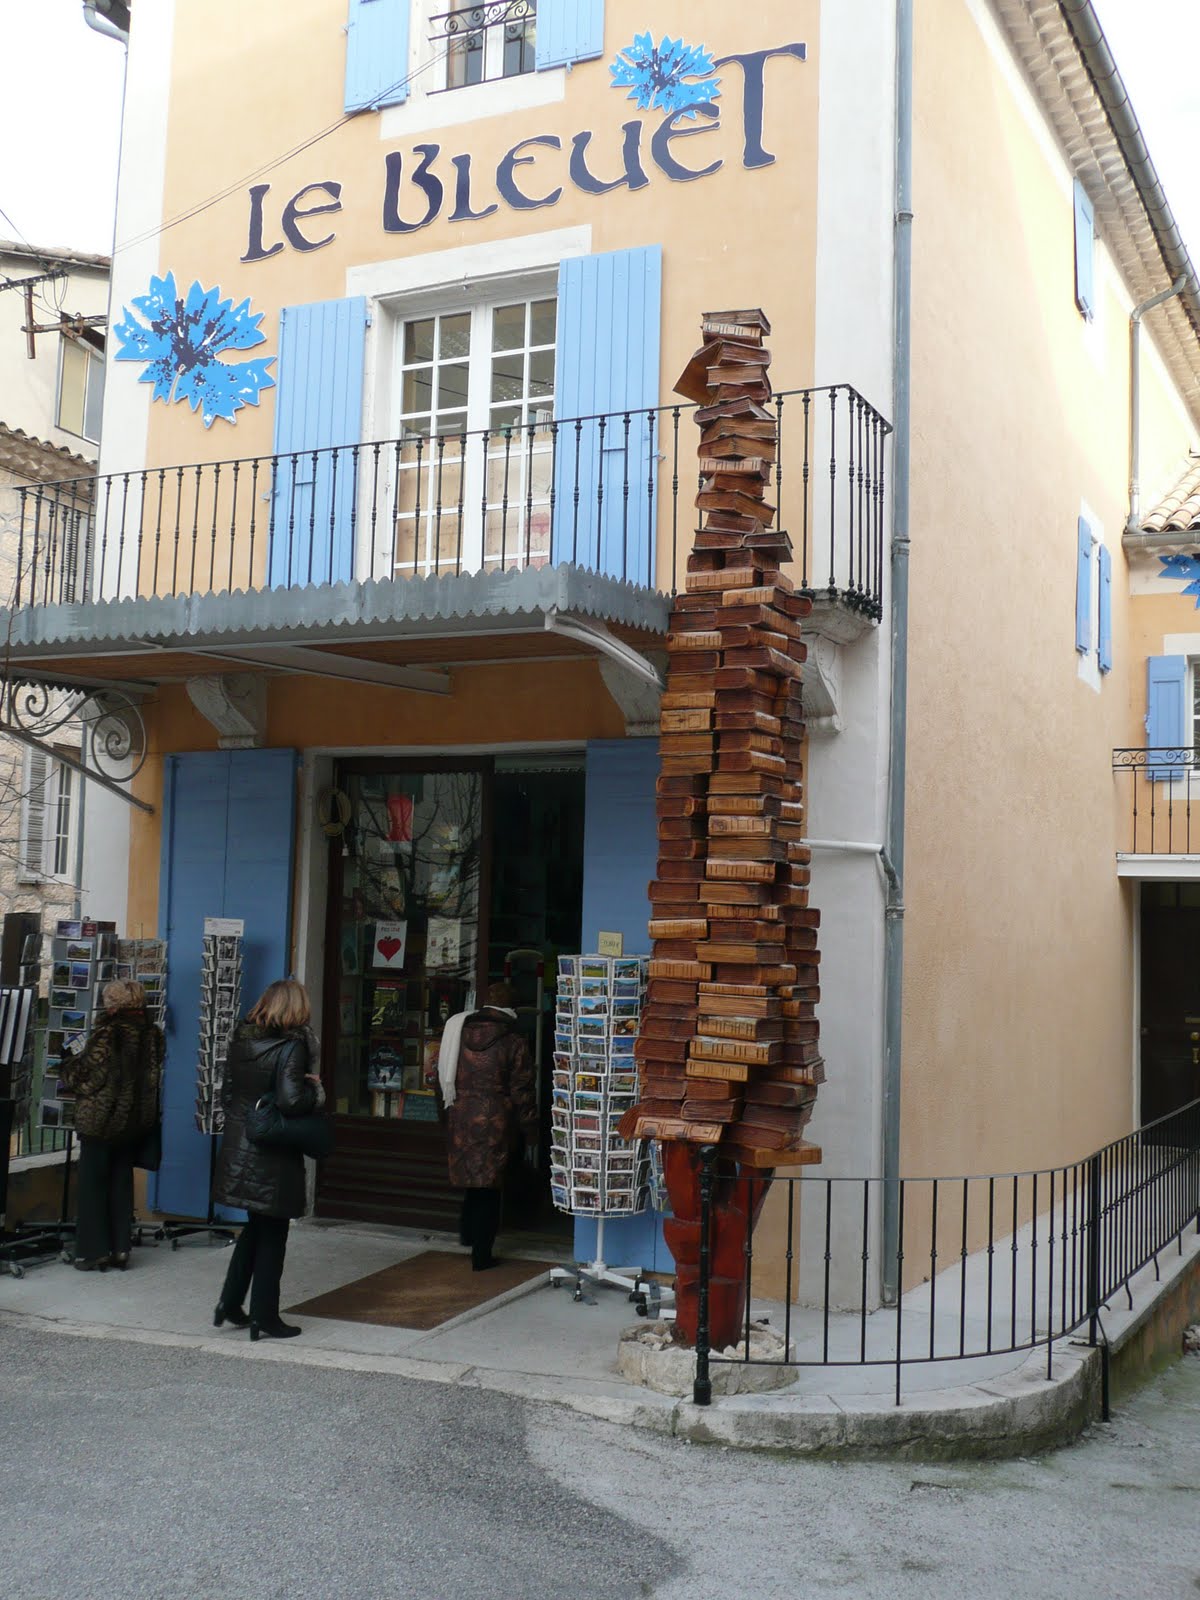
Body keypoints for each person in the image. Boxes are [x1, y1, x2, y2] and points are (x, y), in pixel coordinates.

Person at [213, 979, 323, 1340]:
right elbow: (292, 1101)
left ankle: (230, 1303)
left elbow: (229, 1093)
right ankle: (265, 1315)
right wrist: (314, 1088)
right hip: (273, 1152)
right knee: (274, 1232)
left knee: (256, 1227)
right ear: (296, 1009)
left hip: (241, 1144)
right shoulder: (292, 1047)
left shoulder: (243, 1039)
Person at [59, 979, 165, 1272]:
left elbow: (89, 1078)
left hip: (102, 1121)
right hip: (133, 1122)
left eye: (108, 998)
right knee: (120, 1183)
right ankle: (121, 1248)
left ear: (116, 1003)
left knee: (93, 1185)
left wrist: (67, 1062)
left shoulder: (109, 1034)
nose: (105, 1003)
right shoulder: (152, 1034)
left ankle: (92, 1252)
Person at [435, 981, 537, 1271]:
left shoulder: (457, 1032)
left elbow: (440, 1078)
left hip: (460, 1116)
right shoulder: (514, 1040)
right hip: (495, 1121)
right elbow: (522, 1090)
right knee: (489, 1189)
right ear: (510, 1007)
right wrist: (530, 1130)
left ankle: (467, 1234)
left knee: (473, 1184)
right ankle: (481, 1255)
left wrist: (445, 1117)